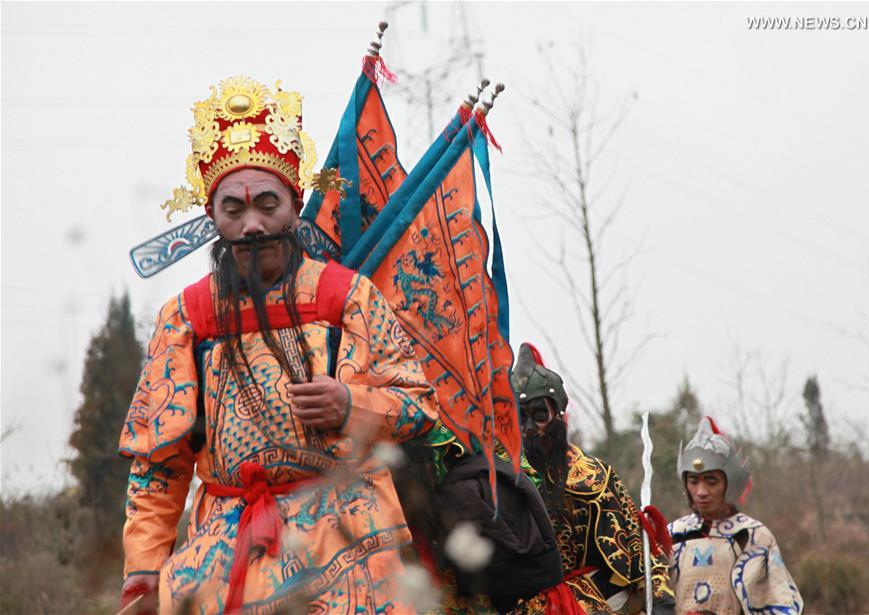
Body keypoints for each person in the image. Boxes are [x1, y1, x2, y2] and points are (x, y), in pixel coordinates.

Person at [117, 76, 439, 614]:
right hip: (226, 553)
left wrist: (351, 405)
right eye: (233, 210)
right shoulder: (186, 319)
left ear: (294, 204)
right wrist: (143, 574)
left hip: (349, 543)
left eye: (267, 204)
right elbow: (158, 465)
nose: (252, 226)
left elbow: (419, 405)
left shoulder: (347, 297)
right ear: (213, 219)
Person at [510, 343, 676, 614]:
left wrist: (660, 598)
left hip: (589, 603)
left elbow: (639, 549)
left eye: (539, 414)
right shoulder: (499, 481)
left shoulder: (595, 476)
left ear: (557, 414)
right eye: (520, 416)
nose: (529, 428)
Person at [668, 417, 804, 614]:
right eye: (693, 481)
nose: (701, 491)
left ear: (729, 483)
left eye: (711, 481)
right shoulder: (672, 535)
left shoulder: (753, 535)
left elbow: (780, 603)